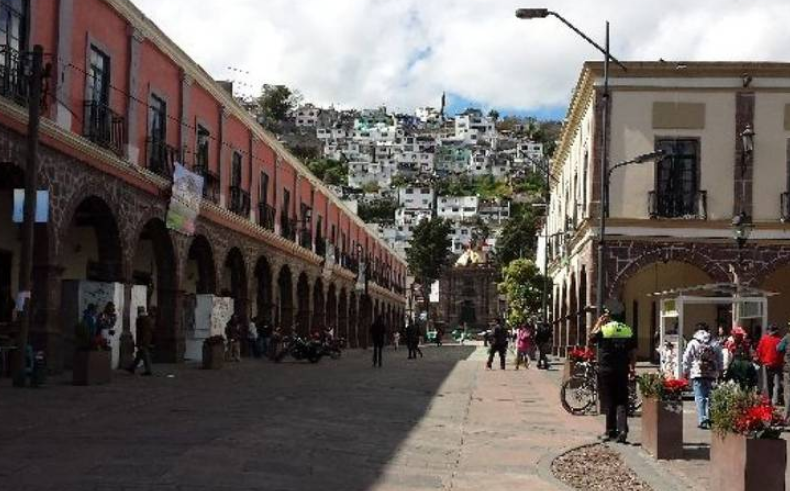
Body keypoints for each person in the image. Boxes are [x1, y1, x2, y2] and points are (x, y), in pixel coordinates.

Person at [588, 311, 636, 443]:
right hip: (622, 369)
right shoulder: (627, 330)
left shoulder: (605, 329)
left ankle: (610, 431)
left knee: (609, 400)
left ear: (609, 318)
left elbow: (591, 338)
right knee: (621, 399)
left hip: (606, 369)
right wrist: (632, 368)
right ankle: (622, 430)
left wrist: (598, 323)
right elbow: (632, 352)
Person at [682, 325, 723, 430]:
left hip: (697, 373)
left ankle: (703, 420)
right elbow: (720, 357)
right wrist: (720, 370)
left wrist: (686, 371)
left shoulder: (693, 342)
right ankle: (711, 418)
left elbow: (686, 357)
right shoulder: (714, 342)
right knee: (711, 397)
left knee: (700, 397)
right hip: (711, 373)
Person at [755, 324, 783, 405]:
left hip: (767, 364)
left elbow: (759, 351)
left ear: (769, 331)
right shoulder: (779, 340)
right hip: (777, 364)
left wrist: (761, 359)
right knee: (776, 384)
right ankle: (774, 401)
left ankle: (769, 400)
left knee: (768, 383)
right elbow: (782, 353)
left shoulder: (764, 339)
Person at [127, 306, 154, 375]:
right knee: (139, 355)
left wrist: (141, 342)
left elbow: (143, 332)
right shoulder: (147, 319)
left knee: (145, 356)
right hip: (145, 340)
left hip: (143, 341)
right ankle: (132, 368)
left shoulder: (142, 319)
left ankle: (148, 370)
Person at [776, 325, 790, 422]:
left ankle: (787, 416)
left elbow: (778, 348)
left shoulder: (787, 337)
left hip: (788, 369)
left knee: (788, 392)